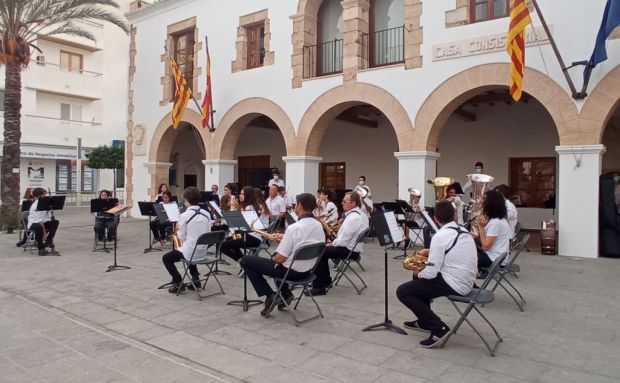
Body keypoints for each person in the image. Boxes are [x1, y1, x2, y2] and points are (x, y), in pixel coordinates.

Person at [396, 200, 477, 348]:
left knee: (403, 291)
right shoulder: (464, 231)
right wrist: (430, 253)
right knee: (417, 282)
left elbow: (431, 273)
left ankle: (439, 329)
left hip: (455, 283)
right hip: (466, 279)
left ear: (435, 219)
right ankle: (423, 321)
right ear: (453, 216)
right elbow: (454, 253)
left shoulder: (440, 237)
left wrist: (418, 271)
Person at [240, 193, 325, 317]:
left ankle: (270, 295)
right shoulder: (318, 225)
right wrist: (285, 241)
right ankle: (285, 294)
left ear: (300, 206)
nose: (294, 207)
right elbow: (306, 243)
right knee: (279, 261)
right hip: (308, 271)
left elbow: (279, 259)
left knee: (246, 260)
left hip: (291, 273)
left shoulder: (294, 228)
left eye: (296, 204)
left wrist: (276, 254)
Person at [309, 191, 369, 296]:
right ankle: (325, 281)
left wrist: (330, 243)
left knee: (318, 251)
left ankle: (319, 287)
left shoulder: (351, 219)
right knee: (323, 251)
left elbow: (342, 242)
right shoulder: (362, 214)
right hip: (354, 249)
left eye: (345, 201)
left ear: (353, 203)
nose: (342, 203)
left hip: (349, 250)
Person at [162, 187, 211, 294]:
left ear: (186, 199)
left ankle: (178, 282)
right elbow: (208, 231)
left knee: (166, 258)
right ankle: (196, 280)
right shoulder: (206, 213)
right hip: (203, 252)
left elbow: (181, 237)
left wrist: (177, 229)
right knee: (190, 247)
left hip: (191, 252)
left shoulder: (184, 215)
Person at [220, 186, 263, 273]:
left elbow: (242, 227)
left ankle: (243, 262)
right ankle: (243, 261)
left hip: (251, 238)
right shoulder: (248, 206)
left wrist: (233, 209)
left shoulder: (249, 208)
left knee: (223, 246)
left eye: (243, 194)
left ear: (248, 195)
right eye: (240, 193)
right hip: (248, 236)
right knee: (229, 240)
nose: (240, 195)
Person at [475, 190, 512, 272]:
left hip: (494, 258)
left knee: (463, 257)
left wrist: (481, 228)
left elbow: (486, 247)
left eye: (484, 199)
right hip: (495, 255)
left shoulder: (496, 222)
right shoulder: (497, 220)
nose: (481, 201)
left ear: (491, 203)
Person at [27, 188, 60, 256]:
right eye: (45, 194)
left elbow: (47, 218)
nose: (46, 196)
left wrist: (49, 210)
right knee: (39, 227)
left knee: (55, 222)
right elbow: (39, 221)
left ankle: (48, 240)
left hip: (43, 222)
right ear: (41, 196)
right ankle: (41, 249)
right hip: (34, 223)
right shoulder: (35, 206)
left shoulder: (44, 204)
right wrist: (44, 233)